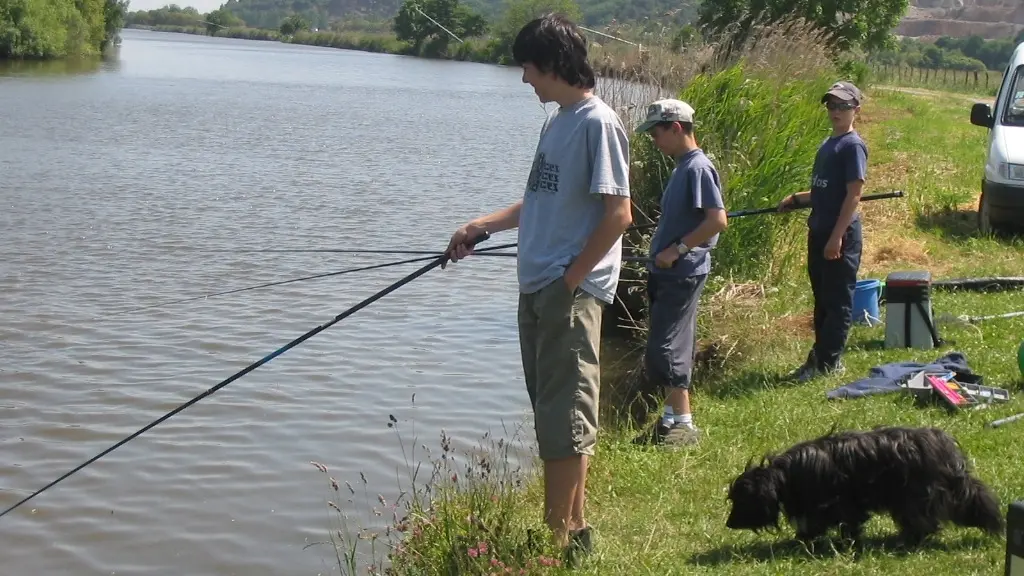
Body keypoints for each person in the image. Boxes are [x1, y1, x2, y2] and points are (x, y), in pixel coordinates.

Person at [443, 13, 632, 563]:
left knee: (562, 418)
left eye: (528, 67)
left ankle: (553, 545)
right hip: (541, 290)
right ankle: (573, 529)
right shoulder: (560, 122)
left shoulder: (598, 122)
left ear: (551, 64)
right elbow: (542, 204)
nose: (525, 79)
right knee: (558, 412)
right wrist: (482, 226)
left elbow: (619, 214)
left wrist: (571, 281)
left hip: (566, 294)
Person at [632, 99, 727, 447]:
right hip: (671, 273)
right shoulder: (682, 166)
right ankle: (671, 419)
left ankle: (683, 425)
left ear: (675, 128)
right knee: (670, 342)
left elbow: (717, 221)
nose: (653, 141)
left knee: (667, 345)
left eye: (656, 133)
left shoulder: (697, 168)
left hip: (682, 272)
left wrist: (677, 249)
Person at [778, 80, 867, 382]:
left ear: (856, 108)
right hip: (819, 231)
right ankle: (820, 357)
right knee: (822, 299)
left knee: (838, 300)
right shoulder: (829, 144)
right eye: (831, 105)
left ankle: (828, 364)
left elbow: (853, 195)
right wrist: (796, 199)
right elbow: (824, 191)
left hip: (838, 235)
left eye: (843, 105)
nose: (836, 111)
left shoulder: (853, 146)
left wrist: (837, 236)